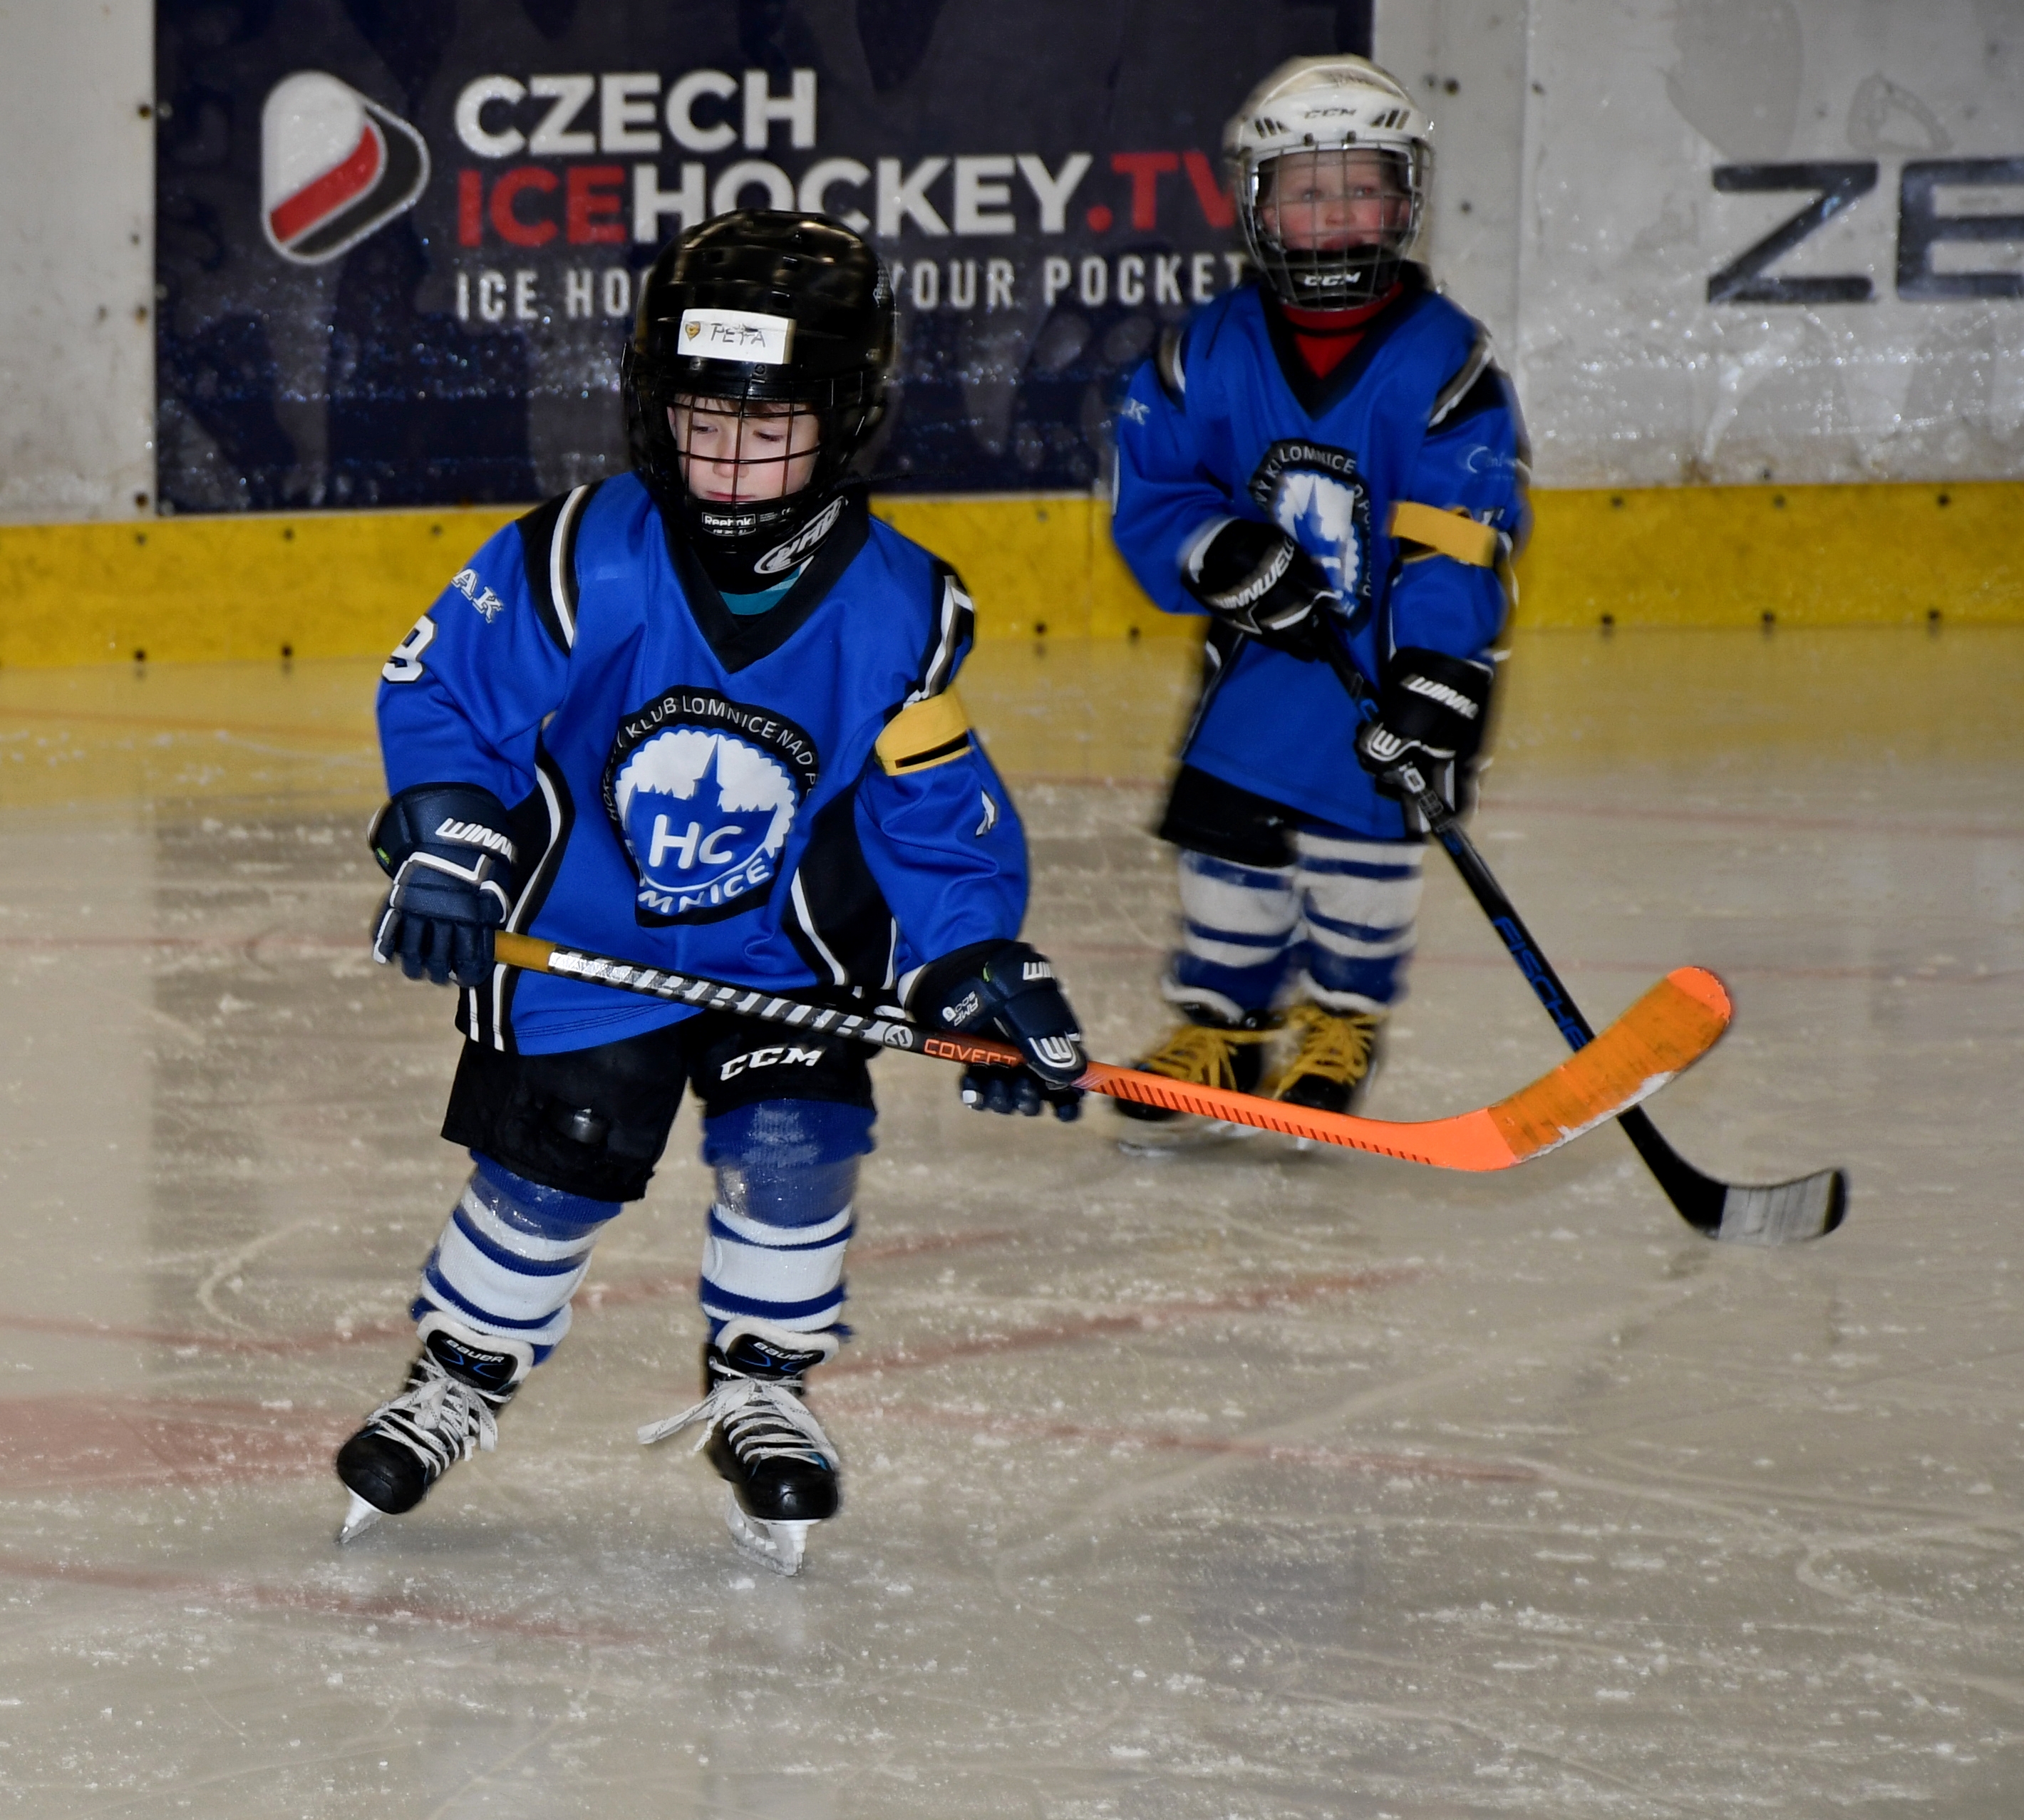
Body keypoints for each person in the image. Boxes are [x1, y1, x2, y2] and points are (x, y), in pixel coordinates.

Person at [335, 210, 1085, 1576]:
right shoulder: (581, 559)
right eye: (702, 418)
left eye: (773, 424)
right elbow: (445, 692)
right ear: (650, 406)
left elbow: (932, 804)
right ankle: (464, 1369)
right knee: (547, 1177)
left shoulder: (900, 607)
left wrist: (979, 954)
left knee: (795, 1154)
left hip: (790, 950)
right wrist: (447, 838)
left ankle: (764, 1385)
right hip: (583, 941)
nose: (731, 460)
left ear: (843, 417)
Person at [1107, 54, 1529, 1137]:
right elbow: (1155, 488)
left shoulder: (1446, 364)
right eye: (1307, 186)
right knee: (1228, 846)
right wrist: (1216, 549)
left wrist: (1437, 670)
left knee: (1364, 854)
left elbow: (1458, 531)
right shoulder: (1204, 355)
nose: (1337, 209)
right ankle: (1226, 1024)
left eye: (1362, 183)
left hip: (1390, 668)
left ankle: (1342, 1018)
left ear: (1405, 199)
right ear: (1258, 203)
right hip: (1257, 666)